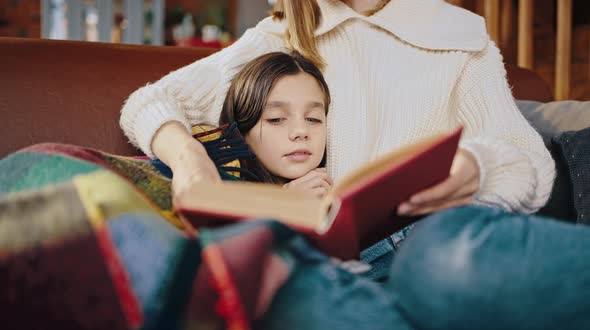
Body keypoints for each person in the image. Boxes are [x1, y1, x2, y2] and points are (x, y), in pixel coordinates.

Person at [120, 0, 555, 218]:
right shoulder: (281, 36)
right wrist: (194, 164)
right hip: (332, 249)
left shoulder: (458, 39)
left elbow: (529, 161)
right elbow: (150, 102)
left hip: (439, 231)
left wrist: (479, 166)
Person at [218, 51, 333, 198]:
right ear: (241, 130)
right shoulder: (220, 190)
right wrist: (283, 203)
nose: (301, 131)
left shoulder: (333, 193)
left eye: (313, 119)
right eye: (276, 119)